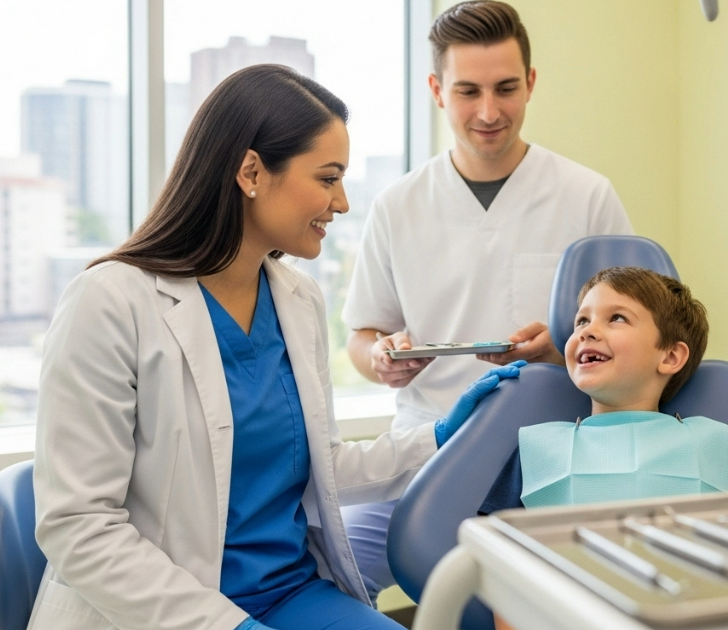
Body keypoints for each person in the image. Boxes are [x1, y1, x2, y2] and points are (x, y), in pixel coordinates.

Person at [31, 64, 521, 630]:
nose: (341, 203)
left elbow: (321, 465)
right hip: (164, 610)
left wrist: (440, 439)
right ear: (251, 172)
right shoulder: (110, 302)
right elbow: (80, 525)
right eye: (327, 177)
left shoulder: (299, 300)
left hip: (289, 594)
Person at [340, 0, 633, 599]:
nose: (489, 111)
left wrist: (564, 347)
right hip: (428, 453)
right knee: (326, 566)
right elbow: (362, 336)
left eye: (505, 88)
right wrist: (381, 359)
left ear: (530, 83)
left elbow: (636, 332)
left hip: (558, 453)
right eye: (468, 91)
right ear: (437, 90)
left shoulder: (586, 196)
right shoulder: (399, 205)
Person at [478, 266, 728, 516]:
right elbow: (492, 550)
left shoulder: (716, 445)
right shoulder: (539, 448)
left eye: (617, 318)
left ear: (670, 357)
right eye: (582, 321)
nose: (587, 332)